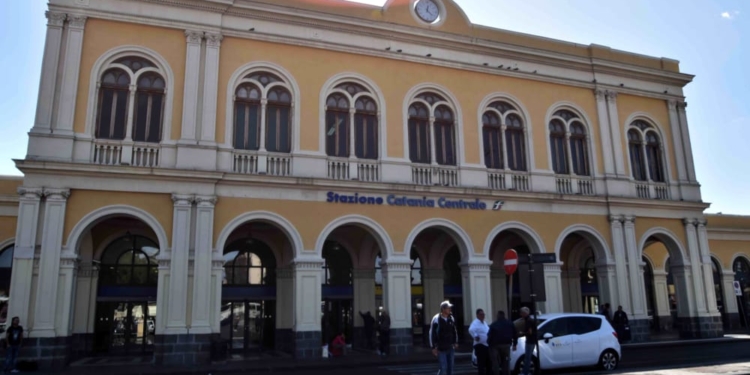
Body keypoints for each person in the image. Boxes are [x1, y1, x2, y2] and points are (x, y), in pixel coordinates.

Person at [430, 301, 459, 375]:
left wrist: (455, 342)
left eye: (450, 308)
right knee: (443, 367)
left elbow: (454, 331)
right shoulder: (436, 319)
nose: (449, 309)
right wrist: (433, 347)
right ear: (443, 309)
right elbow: (432, 333)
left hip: (450, 347)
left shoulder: (451, 318)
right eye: (448, 308)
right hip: (441, 348)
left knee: (450, 367)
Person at [488, 311, 517, 375]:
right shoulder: (510, 323)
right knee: (506, 361)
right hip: (506, 345)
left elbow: (490, 335)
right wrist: (515, 344)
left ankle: (497, 373)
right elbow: (515, 334)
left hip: (495, 345)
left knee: (495, 362)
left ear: (498, 316)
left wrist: (489, 344)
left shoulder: (494, 324)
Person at [468, 309, 490, 375]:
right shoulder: (475, 323)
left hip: (486, 345)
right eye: (481, 314)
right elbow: (471, 330)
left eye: (483, 314)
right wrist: (475, 336)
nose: (483, 316)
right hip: (480, 346)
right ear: (477, 315)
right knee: (481, 364)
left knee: (488, 363)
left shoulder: (484, 322)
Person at [519, 307, 536, 375]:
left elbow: (530, 332)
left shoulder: (528, 320)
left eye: (521, 313)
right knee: (528, 357)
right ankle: (526, 371)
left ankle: (525, 372)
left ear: (524, 313)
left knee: (527, 358)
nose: (521, 315)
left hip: (530, 341)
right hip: (532, 340)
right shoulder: (530, 319)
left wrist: (522, 333)